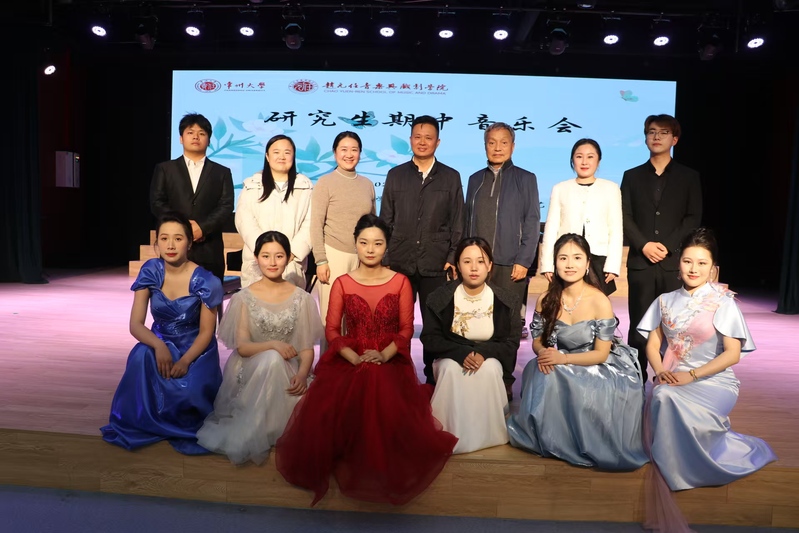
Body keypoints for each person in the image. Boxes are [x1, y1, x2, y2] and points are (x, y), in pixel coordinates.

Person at [275, 214, 457, 506]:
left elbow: (406, 329)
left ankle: (374, 461)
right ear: (355, 244)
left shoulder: (400, 282)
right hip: (350, 356)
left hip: (389, 356)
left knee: (376, 381)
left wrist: (383, 355)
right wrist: (353, 357)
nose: (370, 249)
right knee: (356, 385)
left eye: (377, 243)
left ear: (387, 246)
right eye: (364, 242)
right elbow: (332, 331)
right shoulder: (342, 283)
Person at [636, 228, 776, 532]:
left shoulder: (723, 302)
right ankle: (673, 466)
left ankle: (683, 470)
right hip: (673, 377)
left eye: (702, 263)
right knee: (661, 394)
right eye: (688, 261)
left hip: (714, 382)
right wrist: (660, 371)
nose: (693, 269)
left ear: (713, 268)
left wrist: (691, 375)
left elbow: (732, 355)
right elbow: (652, 343)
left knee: (664, 398)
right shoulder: (664, 300)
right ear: (678, 263)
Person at [506, 233, 647, 471]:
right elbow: (537, 342)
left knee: (568, 376)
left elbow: (601, 354)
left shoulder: (599, 300)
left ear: (588, 262)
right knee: (541, 371)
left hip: (598, 363)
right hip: (560, 358)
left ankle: (580, 444)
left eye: (577, 258)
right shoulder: (546, 299)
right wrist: (545, 353)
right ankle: (553, 442)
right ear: (555, 262)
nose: (570, 264)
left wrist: (563, 359)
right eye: (563, 258)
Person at [196, 231, 322, 465]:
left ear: (288, 258)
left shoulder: (302, 299)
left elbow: (306, 348)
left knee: (277, 364)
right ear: (256, 258)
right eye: (265, 256)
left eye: (279, 256)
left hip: (288, 370)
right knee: (271, 358)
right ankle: (260, 429)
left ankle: (270, 428)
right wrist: (273, 345)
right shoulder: (244, 298)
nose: (272, 262)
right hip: (250, 368)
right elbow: (243, 347)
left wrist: (303, 374)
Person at [101, 212, 223, 455]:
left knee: (189, 393)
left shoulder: (206, 281)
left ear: (190, 243)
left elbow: (207, 333)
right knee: (141, 354)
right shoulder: (151, 271)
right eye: (164, 238)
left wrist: (186, 360)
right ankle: (144, 419)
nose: (170, 245)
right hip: (160, 341)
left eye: (178, 238)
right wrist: (159, 345)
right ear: (156, 243)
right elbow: (136, 324)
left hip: (195, 349)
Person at [380, 115, 464, 385]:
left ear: (438, 142)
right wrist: (386, 258)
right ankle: (398, 376)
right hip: (400, 262)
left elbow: (457, 222)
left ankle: (432, 378)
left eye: (429, 137)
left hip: (436, 263)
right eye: (418, 136)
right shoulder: (396, 175)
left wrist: (452, 257)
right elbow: (386, 220)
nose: (422, 142)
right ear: (410, 140)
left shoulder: (451, 177)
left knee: (434, 325)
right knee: (398, 324)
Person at [621, 114, 702, 381]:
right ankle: (636, 382)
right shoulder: (631, 176)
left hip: (673, 263)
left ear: (674, 139)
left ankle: (670, 380)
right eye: (652, 132)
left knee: (674, 326)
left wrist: (666, 246)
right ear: (645, 137)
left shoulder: (689, 177)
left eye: (664, 132)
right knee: (639, 327)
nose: (656, 137)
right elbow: (625, 215)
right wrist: (643, 244)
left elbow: (692, 217)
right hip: (641, 263)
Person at [421, 237, 520, 454]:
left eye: (480, 261)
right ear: (457, 265)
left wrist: (483, 353)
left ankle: (489, 434)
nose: (474, 268)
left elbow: (510, 342)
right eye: (467, 261)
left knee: (490, 369)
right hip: (450, 355)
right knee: (450, 369)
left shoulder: (507, 300)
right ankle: (449, 431)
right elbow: (430, 338)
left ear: (490, 265)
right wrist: (461, 353)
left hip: (489, 356)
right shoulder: (439, 298)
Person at [464, 122, 540, 396]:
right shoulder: (475, 179)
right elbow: (467, 222)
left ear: (513, 146)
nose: (497, 148)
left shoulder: (525, 178)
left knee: (508, 325)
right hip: (478, 265)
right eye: (492, 142)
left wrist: (524, 260)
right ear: (485, 145)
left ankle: (505, 380)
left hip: (511, 264)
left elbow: (532, 222)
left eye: (503, 142)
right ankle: (478, 375)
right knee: (476, 320)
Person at [150, 113, 234, 284]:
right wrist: (184, 227)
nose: (196, 137)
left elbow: (226, 206)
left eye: (202, 133)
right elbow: (157, 202)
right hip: (174, 247)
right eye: (190, 132)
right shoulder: (165, 169)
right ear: (181, 138)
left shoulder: (222, 172)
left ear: (209, 140)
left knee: (209, 296)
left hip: (209, 249)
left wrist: (202, 228)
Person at [310, 131, 376, 334]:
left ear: (360, 153)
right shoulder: (325, 182)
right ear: (334, 152)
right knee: (333, 320)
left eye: (354, 150)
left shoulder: (367, 184)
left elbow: (373, 225)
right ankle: (330, 356)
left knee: (358, 319)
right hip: (333, 256)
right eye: (344, 149)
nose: (349, 154)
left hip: (362, 259)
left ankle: (354, 356)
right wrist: (321, 260)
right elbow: (316, 224)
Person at [540, 138, 622, 296]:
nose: (584, 162)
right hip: (566, 258)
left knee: (596, 303)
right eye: (579, 156)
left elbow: (615, 228)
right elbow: (551, 227)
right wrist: (547, 265)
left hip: (598, 259)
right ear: (572, 160)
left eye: (590, 157)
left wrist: (612, 265)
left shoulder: (611, 188)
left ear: (598, 161)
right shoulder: (560, 188)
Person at [235, 135, 313, 289]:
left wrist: (291, 253)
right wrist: (264, 252)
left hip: (291, 261)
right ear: (267, 156)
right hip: (257, 261)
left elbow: (310, 224)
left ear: (293, 156)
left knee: (290, 301)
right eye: (276, 152)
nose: (282, 157)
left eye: (287, 152)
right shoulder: (252, 185)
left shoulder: (305, 187)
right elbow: (244, 221)